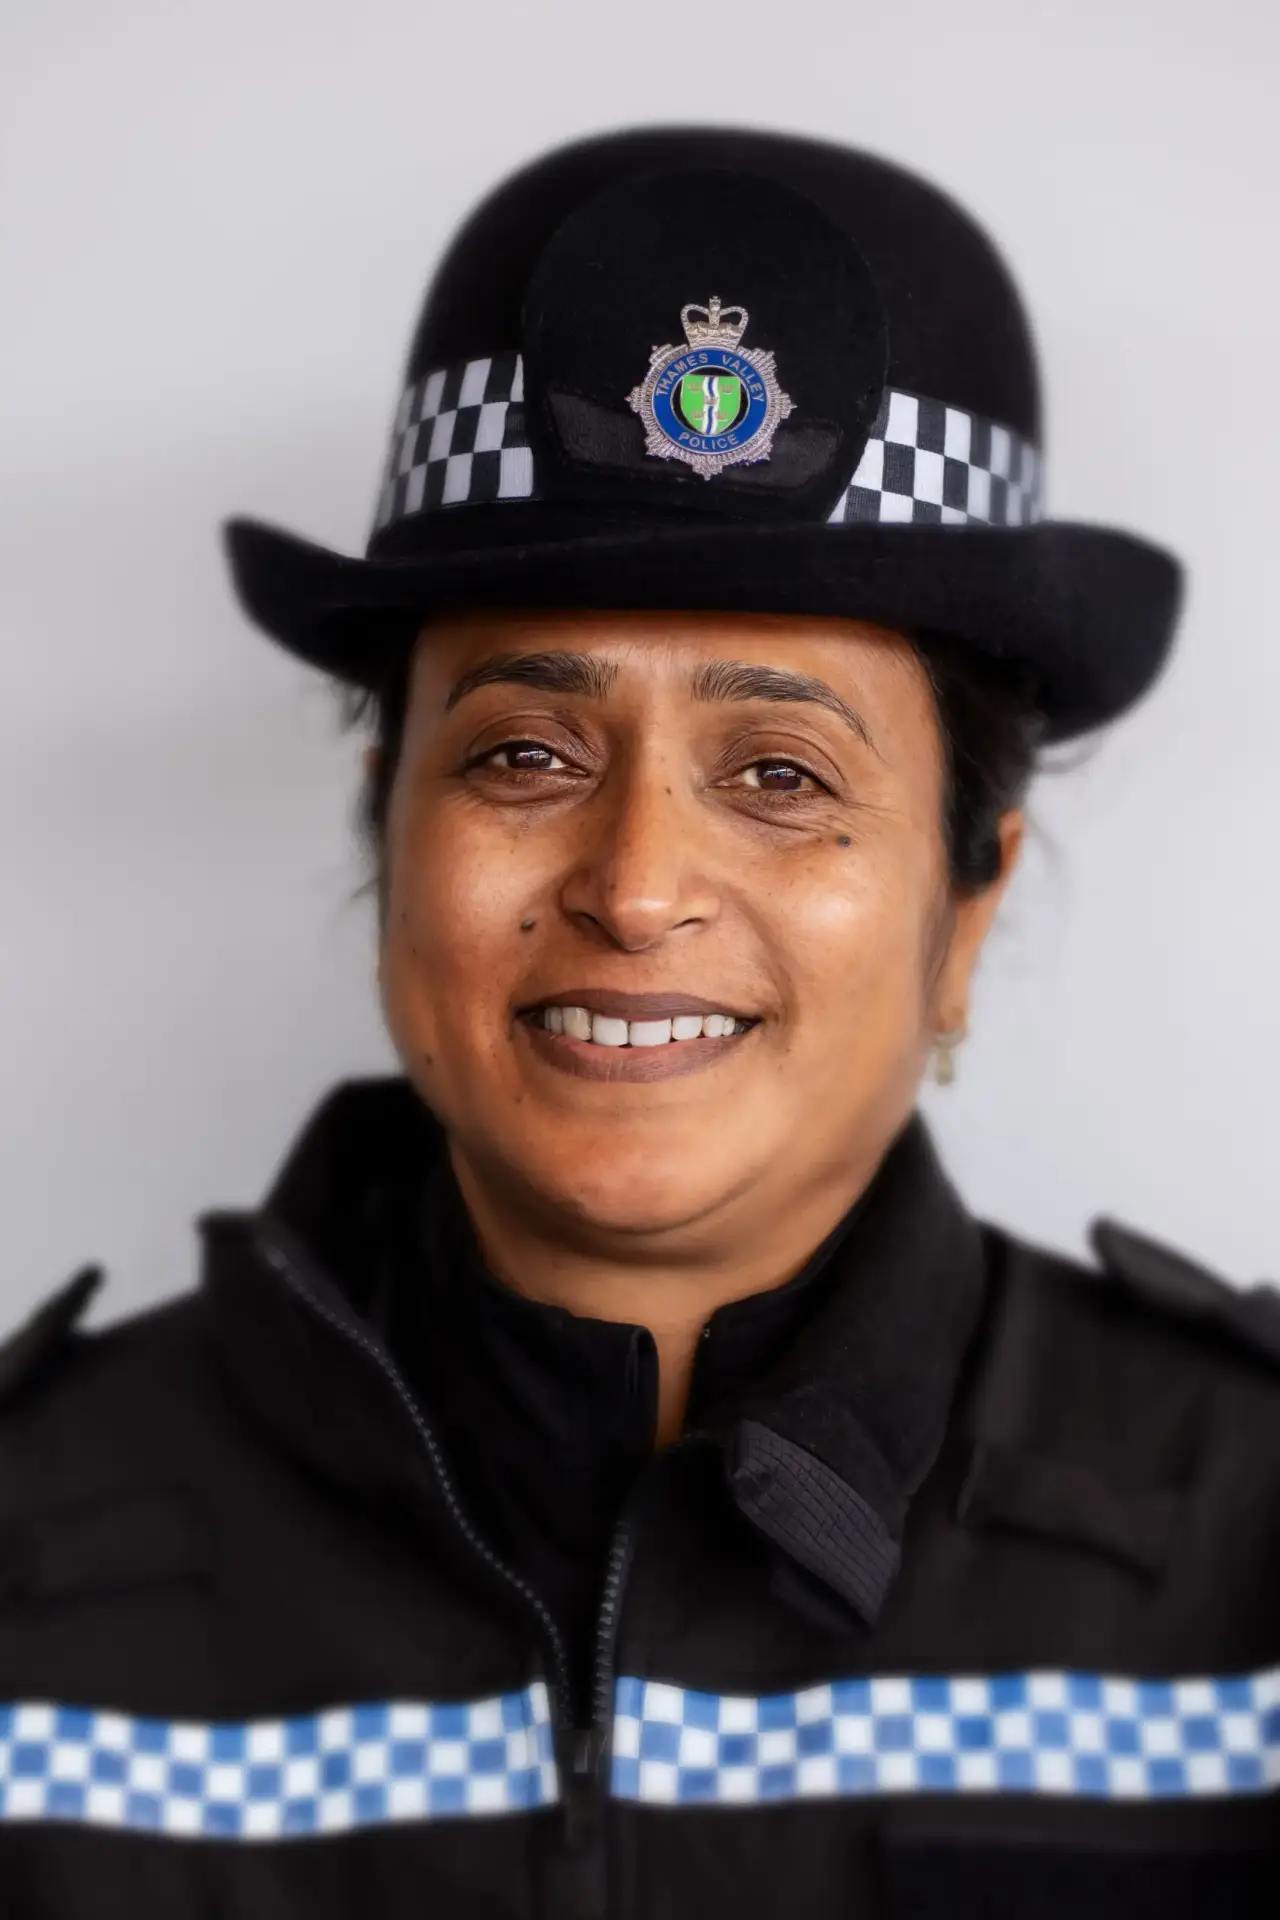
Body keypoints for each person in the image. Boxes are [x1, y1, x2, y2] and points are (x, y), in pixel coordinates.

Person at [1, 126, 1276, 1920]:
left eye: (779, 770)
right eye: (525, 751)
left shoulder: (1246, 1563)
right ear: (387, 826)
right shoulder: (28, 1550)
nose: (635, 884)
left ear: (964, 901)